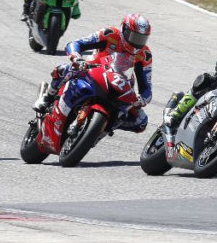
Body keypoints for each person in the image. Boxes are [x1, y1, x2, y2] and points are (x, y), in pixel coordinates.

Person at [34, 13, 153, 150]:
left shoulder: (145, 55)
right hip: (91, 70)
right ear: (124, 30)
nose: (138, 42)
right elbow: (76, 44)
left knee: (141, 121)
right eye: (135, 37)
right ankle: (47, 97)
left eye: (142, 38)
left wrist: (142, 98)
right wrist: (76, 57)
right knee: (64, 69)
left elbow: (147, 87)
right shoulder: (110, 34)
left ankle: (101, 129)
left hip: (120, 85)